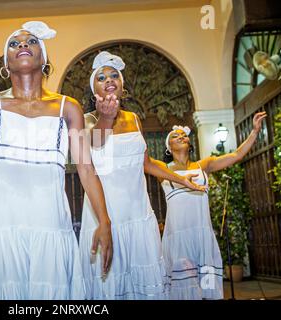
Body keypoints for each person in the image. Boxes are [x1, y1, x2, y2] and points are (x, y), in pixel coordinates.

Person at [0, 0, 113, 299]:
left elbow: (86, 168)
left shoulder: (68, 108)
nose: (23, 44)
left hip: (51, 228)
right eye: (14, 43)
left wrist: (104, 220)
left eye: (31, 41)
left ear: (44, 57)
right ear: (6, 63)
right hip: (1, 230)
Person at [79, 51, 206, 300]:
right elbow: (93, 147)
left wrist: (180, 178)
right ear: (92, 88)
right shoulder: (85, 120)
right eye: (101, 77)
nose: (109, 80)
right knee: (109, 286)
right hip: (104, 214)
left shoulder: (134, 119)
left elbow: (145, 163)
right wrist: (106, 117)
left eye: (114, 75)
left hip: (138, 213)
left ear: (123, 85)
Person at [158, 111, 266, 299]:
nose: (181, 136)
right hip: (178, 238)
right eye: (175, 136)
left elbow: (237, 154)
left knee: (206, 288)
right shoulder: (162, 170)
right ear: (168, 148)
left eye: (184, 135)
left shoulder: (203, 165)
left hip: (202, 235)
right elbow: (141, 163)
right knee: (182, 290)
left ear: (190, 143)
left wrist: (254, 132)